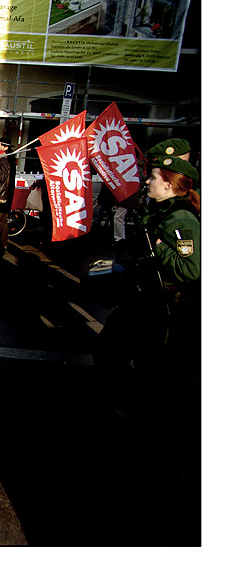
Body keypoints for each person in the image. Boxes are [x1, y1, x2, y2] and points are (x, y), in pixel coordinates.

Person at [93, 153, 200, 425]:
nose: (148, 181)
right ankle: (132, 407)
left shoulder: (181, 220)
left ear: (169, 185)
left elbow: (189, 269)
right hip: (140, 299)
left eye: (153, 178)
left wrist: (158, 247)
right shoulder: (157, 212)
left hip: (159, 307)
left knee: (139, 363)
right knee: (111, 351)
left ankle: (137, 413)